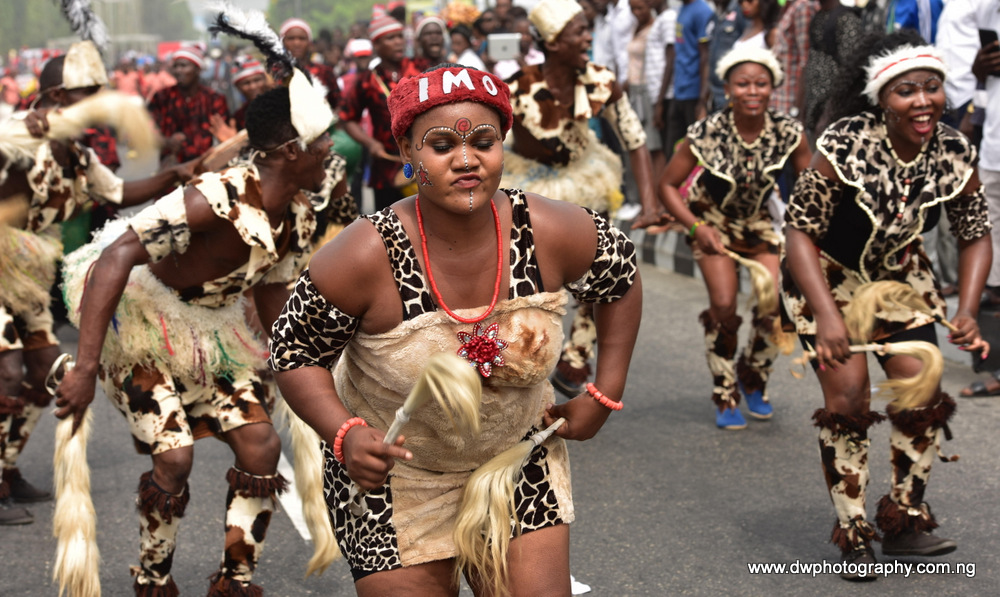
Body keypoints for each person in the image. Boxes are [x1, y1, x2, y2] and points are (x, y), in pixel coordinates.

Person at [269, 62, 641, 595]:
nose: (466, 160)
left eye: (483, 142)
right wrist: (344, 434)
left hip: (517, 459)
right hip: (393, 481)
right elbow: (294, 350)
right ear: (407, 155)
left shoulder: (551, 230)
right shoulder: (362, 255)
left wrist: (607, 391)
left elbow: (621, 277)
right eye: (441, 145)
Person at [53, 71, 334, 594]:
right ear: (291, 150)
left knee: (260, 445)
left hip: (213, 333)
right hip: (140, 324)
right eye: (321, 142)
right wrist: (85, 368)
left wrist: (305, 362)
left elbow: (274, 295)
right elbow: (117, 256)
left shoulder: (294, 216)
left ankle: (235, 581)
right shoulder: (211, 198)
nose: (330, 149)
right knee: (175, 458)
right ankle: (154, 579)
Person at [782, 30, 991, 578]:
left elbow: (974, 233)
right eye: (906, 91)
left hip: (899, 278)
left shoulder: (952, 150)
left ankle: (903, 519)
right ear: (882, 98)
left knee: (922, 383)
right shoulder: (844, 142)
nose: (922, 101)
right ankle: (853, 530)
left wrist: (966, 309)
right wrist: (827, 316)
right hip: (825, 277)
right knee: (849, 397)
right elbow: (799, 234)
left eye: (932, 88)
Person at [0, 42, 198, 527]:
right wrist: (33, 125)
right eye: (84, 95)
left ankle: (5, 467)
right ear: (53, 96)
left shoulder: (79, 154)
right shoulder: (16, 134)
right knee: (7, 372)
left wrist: (178, 175)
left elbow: (118, 192)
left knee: (49, 375)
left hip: (27, 281)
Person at [502, 0, 667, 396]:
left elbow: (635, 139)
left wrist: (649, 204)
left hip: (588, 179)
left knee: (598, 273)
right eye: (578, 31)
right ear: (555, 43)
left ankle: (577, 356)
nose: (588, 37)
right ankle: (524, 357)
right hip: (534, 188)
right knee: (538, 282)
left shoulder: (602, 81)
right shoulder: (516, 87)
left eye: (587, 29)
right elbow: (489, 141)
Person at [659, 47, 810, 429]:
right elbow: (667, 185)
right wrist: (696, 227)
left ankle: (753, 376)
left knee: (774, 303)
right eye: (743, 84)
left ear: (773, 87)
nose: (753, 91)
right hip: (711, 221)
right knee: (724, 306)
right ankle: (725, 390)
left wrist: (804, 232)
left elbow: (811, 187)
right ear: (728, 88)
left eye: (761, 83)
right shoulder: (706, 132)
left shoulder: (788, 132)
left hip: (759, 223)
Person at [340, 15, 422, 212]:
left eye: (400, 37)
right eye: (390, 38)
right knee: (391, 226)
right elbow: (347, 118)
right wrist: (370, 143)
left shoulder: (421, 69)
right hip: (385, 165)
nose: (398, 42)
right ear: (376, 45)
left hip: (423, 158)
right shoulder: (367, 80)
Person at [148, 46, 230, 165]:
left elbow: (225, 133)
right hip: (171, 166)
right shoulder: (161, 97)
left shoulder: (214, 99)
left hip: (205, 166)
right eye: (175, 66)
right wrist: (165, 142)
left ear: (197, 69)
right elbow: (147, 127)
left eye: (183, 66)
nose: (178, 70)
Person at [281, 18, 342, 112]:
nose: (296, 43)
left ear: (309, 42)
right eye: (291, 38)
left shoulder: (324, 72)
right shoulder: (276, 74)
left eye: (302, 38)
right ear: (283, 42)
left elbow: (338, 105)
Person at [771, 0, 817, 121]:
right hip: (780, 97)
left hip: (790, 100)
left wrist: (797, 109)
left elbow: (806, 60)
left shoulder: (804, 7)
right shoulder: (790, 5)